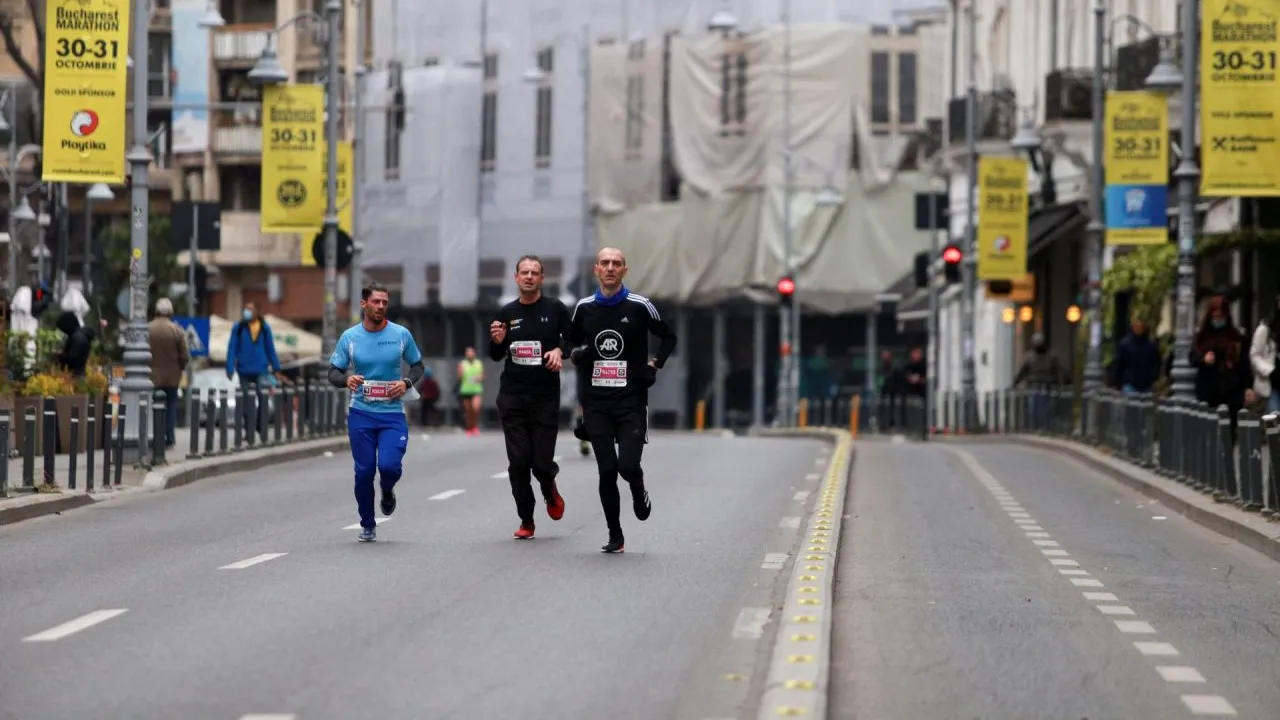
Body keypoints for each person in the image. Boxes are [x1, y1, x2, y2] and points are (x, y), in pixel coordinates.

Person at [568, 247, 677, 554]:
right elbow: (569, 339)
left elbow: (669, 337)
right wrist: (574, 353)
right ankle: (615, 535)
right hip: (597, 404)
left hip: (630, 402)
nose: (611, 268)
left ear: (625, 270)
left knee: (627, 466)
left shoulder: (640, 306)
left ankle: (638, 485)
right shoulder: (584, 308)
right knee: (606, 471)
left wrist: (656, 364)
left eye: (616, 264)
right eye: (605, 263)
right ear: (596, 270)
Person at [328, 281, 426, 543]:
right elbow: (333, 372)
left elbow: (418, 366)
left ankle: (387, 489)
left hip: (393, 414)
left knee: (389, 466)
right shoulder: (350, 337)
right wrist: (346, 379)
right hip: (361, 412)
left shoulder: (401, 334)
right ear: (364, 304)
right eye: (376, 302)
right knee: (364, 471)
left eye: (384, 302)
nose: (381, 306)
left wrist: (405, 382)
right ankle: (368, 523)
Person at [488, 255, 571, 539]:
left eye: (535, 272)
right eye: (524, 272)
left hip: (545, 397)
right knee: (519, 462)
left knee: (541, 464)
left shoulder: (555, 309)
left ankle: (549, 487)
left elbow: (573, 338)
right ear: (516, 277)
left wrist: (560, 350)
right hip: (512, 396)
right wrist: (497, 342)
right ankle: (527, 519)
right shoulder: (506, 313)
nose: (529, 277)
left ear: (541, 278)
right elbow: (496, 354)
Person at [147, 298, 190, 448]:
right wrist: (181, 367)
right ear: (170, 312)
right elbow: (184, 355)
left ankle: (154, 435)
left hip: (151, 376)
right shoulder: (176, 330)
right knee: (170, 406)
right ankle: (169, 437)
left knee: (153, 406)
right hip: (172, 376)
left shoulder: (147, 329)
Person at [1250, 294, 1280, 415]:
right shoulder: (1264, 329)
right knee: (1273, 422)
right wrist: (1270, 371)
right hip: (1270, 385)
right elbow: (1254, 356)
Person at [458, 347, 485, 435]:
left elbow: (483, 376)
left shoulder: (478, 363)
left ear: (474, 353)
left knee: (476, 408)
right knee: (468, 410)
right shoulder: (462, 364)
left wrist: (478, 378)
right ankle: (469, 427)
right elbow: (459, 377)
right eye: (468, 352)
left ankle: (474, 426)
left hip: (476, 389)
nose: (469, 354)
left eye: (471, 352)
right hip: (465, 390)